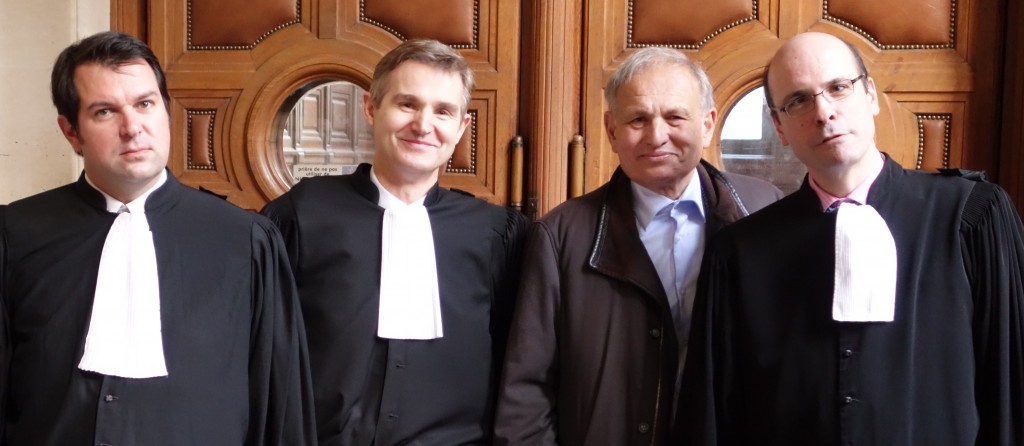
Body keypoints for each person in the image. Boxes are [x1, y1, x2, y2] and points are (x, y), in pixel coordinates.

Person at [678, 31, 1024, 445]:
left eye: (839, 88)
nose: (824, 112)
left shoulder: (970, 217)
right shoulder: (739, 253)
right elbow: (714, 416)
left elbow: (1011, 386)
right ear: (780, 127)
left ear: (871, 95)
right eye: (799, 100)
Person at [0, 31, 315, 445]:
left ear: (166, 112)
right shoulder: (15, 234)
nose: (132, 128)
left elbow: (280, 404)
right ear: (71, 132)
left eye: (145, 104)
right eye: (104, 112)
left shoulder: (247, 242)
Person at [493, 47, 782, 445]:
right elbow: (526, 391)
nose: (656, 136)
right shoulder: (560, 235)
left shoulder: (764, 210)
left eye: (675, 116)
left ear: (708, 123)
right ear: (612, 130)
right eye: (638, 119)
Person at [260, 39, 528, 445]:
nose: (423, 125)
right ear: (371, 108)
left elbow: (520, 361)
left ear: (461, 128)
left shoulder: (494, 232)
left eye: (443, 111)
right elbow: (264, 345)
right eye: (407, 104)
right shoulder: (302, 213)